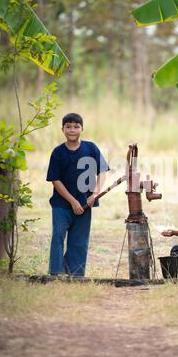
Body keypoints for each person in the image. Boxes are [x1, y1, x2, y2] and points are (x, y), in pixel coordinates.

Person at [46, 113, 109, 276]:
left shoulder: (91, 148)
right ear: (62, 129)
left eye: (76, 126)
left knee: (79, 242)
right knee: (58, 238)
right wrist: (72, 201)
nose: (72, 130)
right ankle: (56, 274)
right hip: (62, 204)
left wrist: (95, 193)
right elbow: (55, 180)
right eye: (68, 126)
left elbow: (102, 171)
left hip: (85, 204)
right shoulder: (58, 152)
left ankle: (76, 274)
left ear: (82, 128)